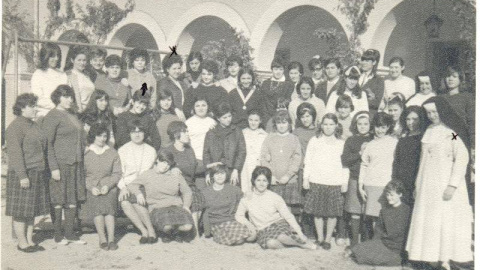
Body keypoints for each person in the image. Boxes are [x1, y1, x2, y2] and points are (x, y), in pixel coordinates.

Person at [406, 97, 473, 270]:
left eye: (435, 111)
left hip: (445, 183)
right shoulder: (427, 130)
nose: (432, 115)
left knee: (444, 219)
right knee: (428, 220)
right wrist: (417, 184)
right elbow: (422, 161)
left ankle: (446, 258)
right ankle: (430, 257)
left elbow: (462, 158)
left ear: (442, 110)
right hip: (427, 183)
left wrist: (452, 185)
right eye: (428, 113)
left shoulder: (451, 132)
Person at [42, 85, 86, 245]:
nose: (69, 100)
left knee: (72, 198)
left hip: (75, 162)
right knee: (59, 199)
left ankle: (70, 234)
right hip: (60, 163)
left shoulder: (72, 114)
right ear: (57, 98)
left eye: (71, 97)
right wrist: (53, 167)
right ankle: (58, 235)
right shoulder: (52, 115)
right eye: (65, 96)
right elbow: (48, 144)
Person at [6, 93, 49, 252]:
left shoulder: (34, 125)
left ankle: (30, 240)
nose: (35, 109)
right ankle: (21, 242)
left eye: (35, 105)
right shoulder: (15, 127)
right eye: (32, 106)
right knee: (20, 211)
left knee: (31, 209)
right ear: (22, 108)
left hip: (37, 171)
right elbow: (15, 154)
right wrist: (23, 176)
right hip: (22, 173)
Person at [235, 166, 317, 250]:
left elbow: (288, 215)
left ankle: (302, 244)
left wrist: (300, 233)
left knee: (281, 237)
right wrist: (249, 225)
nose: (261, 183)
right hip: (262, 229)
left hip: (278, 224)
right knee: (271, 244)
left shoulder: (274, 197)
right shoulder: (247, 198)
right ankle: (294, 244)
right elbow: (239, 215)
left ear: (268, 182)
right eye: (258, 180)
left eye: (264, 180)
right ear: (254, 181)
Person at [128, 150, 194, 243]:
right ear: (157, 160)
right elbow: (132, 185)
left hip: (176, 206)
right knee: (167, 226)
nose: (165, 166)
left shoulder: (175, 174)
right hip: (157, 208)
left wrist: (186, 206)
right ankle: (167, 233)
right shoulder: (148, 174)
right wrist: (138, 194)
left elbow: (187, 192)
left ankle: (174, 232)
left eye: (168, 164)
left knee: (188, 227)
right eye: (163, 162)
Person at [303, 113, 348, 250]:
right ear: (321, 125)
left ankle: (328, 239)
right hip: (317, 180)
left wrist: (344, 182)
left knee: (332, 212)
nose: (328, 127)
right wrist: (306, 178)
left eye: (331, 124)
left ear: (336, 126)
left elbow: (345, 164)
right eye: (325, 124)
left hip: (334, 181)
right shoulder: (315, 140)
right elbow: (308, 161)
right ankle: (320, 238)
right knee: (318, 212)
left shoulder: (341, 143)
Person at [346, 181, 411, 266]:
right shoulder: (384, 210)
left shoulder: (406, 210)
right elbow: (378, 231)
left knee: (366, 257)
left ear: (400, 194)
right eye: (387, 194)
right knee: (357, 250)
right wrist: (373, 245)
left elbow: (397, 233)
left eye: (392, 195)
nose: (389, 198)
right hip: (383, 243)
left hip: (395, 248)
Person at [80, 123, 122, 251]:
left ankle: (111, 239)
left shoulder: (112, 153)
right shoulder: (86, 153)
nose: (102, 139)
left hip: (109, 185)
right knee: (97, 204)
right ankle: (102, 238)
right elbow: (82, 175)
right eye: (99, 136)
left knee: (109, 205)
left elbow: (117, 173)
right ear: (93, 136)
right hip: (92, 187)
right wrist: (91, 187)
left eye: (105, 136)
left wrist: (108, 186)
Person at [358, 112, 397, 240]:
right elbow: (364, 165)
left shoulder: (394, 143)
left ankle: (382, 245)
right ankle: (374, 244)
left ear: (388, 127)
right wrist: (360, 185)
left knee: (384, 217)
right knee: (373, 217)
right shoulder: (370, 144)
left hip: (386, 184)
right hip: (371, 184)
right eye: (377, 126)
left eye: (383, 127)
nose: (380, 130)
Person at [117, 120, 157, 244]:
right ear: (129, 134)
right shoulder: (123, 150)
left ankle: (151, 231)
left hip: (145, 184)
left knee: (137, 202)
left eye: (140, 131)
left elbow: (152, 172)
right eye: (133, 132)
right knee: (124, 202)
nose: (137, 135)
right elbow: (119, 173)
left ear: (144, 133)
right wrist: (123, 187)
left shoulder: (151, 150)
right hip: (128, 183)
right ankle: (143, 231)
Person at [164, 121, 204, 237]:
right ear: (176, 134)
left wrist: (209, 167)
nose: (188, 134)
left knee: (198, 200)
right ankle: (195, 234)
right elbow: (159, 169)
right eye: (185, 132)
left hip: (189, 184)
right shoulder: (168, 150)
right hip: (175, 186)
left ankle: (190, 230)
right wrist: (170, 169)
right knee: (193, 200)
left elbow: (193, 169)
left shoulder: (189, 150)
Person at [341, 111, 373, 248]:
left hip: (371, 179)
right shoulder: (351, 140)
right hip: (355, 178)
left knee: (368, 211)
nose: (362, 126)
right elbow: (345, 160)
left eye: (366, 124)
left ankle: (366, 242)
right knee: (355, 211)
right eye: (359, 124)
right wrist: (360, 153)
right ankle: (354, 242)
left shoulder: (374, 139)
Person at [202, 164, 254, 245]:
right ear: (212, 176)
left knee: (251, 236)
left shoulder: (233, 189)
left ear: (226, 175)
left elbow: (245, 199)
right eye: (217, 174)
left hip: (231, 221)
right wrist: (207, 232)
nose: (220, 176)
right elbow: (204, 213)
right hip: (216, 223)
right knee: (238, 240)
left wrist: (248, 194)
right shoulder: (205, 192)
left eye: (222, 173)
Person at [260, 110, 302, 209]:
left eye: (284, 123)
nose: (281, 126)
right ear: (275, 124)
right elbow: (264, 157)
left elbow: (297, 159)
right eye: (279, 123)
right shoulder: (269, 138)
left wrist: (288, 176)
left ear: (289, 124)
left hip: (289, 180)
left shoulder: (294, 139)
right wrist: (271, 176)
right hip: (274, 180)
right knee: (272, 207)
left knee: (287, 209)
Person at [391, 106, 428, 205]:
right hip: (402, 182)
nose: (411, 122)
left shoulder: (424, 138)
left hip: (415, 181)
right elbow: (397, 161)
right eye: (408, 119)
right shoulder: (402, 138)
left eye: (415, 119)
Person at [203, 102, 246, 186]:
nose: (228, 119)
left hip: (232, 171)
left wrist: (236, 170)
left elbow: (242, 152)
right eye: (224, 117)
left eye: (229, 116)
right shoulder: (211, 133)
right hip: (215, 171)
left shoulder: (237, 131)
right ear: (218, 118)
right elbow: (206, 154)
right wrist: (208, 172)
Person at [292, 103, 318, 239]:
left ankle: (314, 228)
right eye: (302, 117)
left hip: (315, 168)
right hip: (301, 168)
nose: (305, 119)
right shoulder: (296, 132)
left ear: (313, 116)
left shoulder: (319, 131)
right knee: (303, 197)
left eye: (308, 116)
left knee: (313, 198)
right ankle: (303, 228)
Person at [185, 97, 216, 190]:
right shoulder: (188, 123)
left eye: (203, 105)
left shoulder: (212, 122)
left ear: (208, 107)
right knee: (200, 187)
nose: (201, 108)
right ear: (193, 108)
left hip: (210, 159)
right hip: (196, 159)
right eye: (197, 106)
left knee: (211, 186)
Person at [31, 43, 69, 117]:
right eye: (52, 56)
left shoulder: (63, 75)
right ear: (45, 56)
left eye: (58, 56)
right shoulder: (38, 74)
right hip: (44, 114)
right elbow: (38, 99)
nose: (56, 58)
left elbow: (67, 95)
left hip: (63, 114)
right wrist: (58, 107)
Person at [241, 110, 268, 193]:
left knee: (258, 187)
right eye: (251, 120)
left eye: (256, 120)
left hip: (258, 164)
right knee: (246, 187)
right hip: (245, 165)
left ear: (260, 121)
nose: (253, 123)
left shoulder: (264, 135)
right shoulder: (243, 133)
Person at [65, 46, 95, 112]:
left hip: (89, 111)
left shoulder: (87, 76)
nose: (82, 63)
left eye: (84, 60)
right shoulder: (69, 74)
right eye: (79, 60)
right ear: (72, 60)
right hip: (77, 111)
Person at [157, 55, 188, 121]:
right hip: (170, 116)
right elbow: (163, 101)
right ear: (167, 69)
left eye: (179, 68)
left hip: (184, 116)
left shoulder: (183, 83)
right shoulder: (163, 83)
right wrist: (175, 110)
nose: (177, 71)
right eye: (174, 68)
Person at [358, 49, 384, 113]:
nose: (363, 63)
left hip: (368, 115)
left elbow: (376, 102)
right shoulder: (356, 76)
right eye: (363, 60)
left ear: (374, 62)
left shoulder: (379, 80)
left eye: (367, 61)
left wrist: (358, 101)